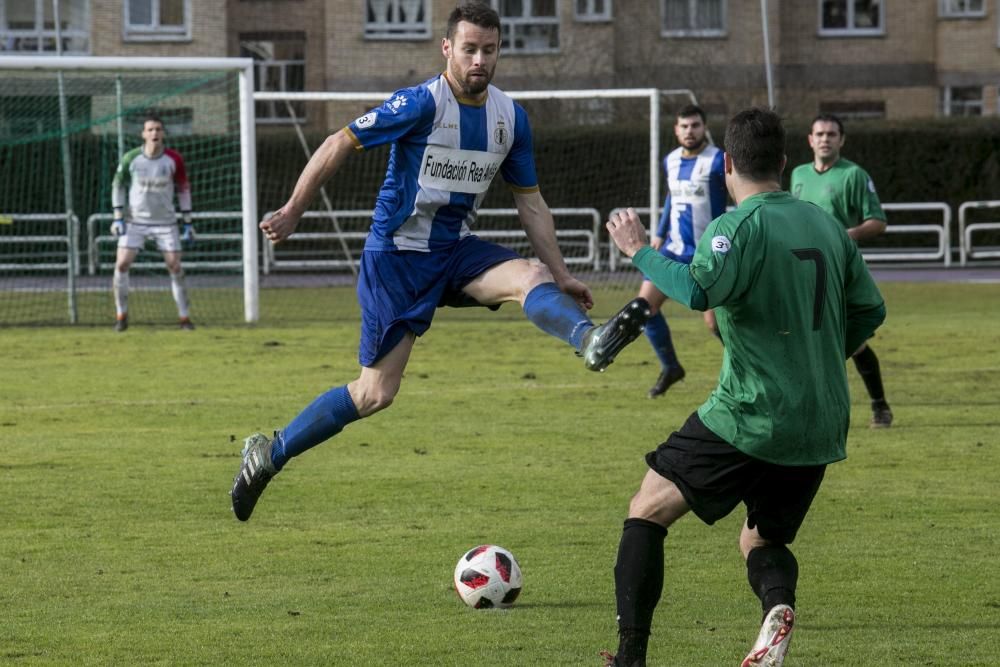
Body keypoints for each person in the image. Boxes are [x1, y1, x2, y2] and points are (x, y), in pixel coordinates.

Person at [229, 1, 650, 522]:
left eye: (489, 50)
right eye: (469, 48)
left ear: (499, 52)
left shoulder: (510, 118)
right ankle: (268, 455)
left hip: (453, 250)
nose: (479, 60)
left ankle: (590, 340)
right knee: (375, 393)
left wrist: (562, 273)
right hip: (397, 259)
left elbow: (531, 203)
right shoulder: (419, 103)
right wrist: (294, 208)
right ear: (447, 48)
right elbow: (340, 141)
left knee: (532, 277)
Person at [599, 108, 886, 667]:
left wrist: (639, 252)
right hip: (820, 419)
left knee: (646, 509)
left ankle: (630, 657)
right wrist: (818, 355)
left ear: (726, 163)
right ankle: (775, 611)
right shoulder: (825, 224)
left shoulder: (734, 227)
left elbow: (699, 290)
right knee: (761, 540)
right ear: (784, 162)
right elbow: (870, 311)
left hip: (750, 411)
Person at [790, 114, 892, 428]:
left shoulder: (854, 175)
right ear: (810, 139)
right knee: (803, 338)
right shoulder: (797, 175)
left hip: (839, 270)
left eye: (832, 134)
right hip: (801, 272)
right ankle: (806, 407)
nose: (825, 139)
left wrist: (846, 235)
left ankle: (879, 406)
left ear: (841, 140)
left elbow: (878, 221)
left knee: (852, 340)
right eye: (819, 133)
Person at [641, 104, 726, 398]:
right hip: (673, 250)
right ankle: (671, 367)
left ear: (705, 128)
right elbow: (671, 198)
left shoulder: (719, 161)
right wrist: (660, 233)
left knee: (715, 323)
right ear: (676, 130)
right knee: (644, 309)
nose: (690, 131)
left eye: (695, 126)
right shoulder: (671, 161)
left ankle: (751, 369)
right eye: (684, 126)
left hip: (708, 255)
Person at [110, 114, 196, 332]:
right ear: (143, 134)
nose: (154, 133)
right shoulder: (131, 159)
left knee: (175, 266)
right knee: (121, 264)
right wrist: (118, 217)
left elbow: (184, 190)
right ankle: (121, 316)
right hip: (135, 221)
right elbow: (117, 186)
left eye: (158, 129)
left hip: (166, 223)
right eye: (150, 129)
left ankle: (184, 318)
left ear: (163, 133)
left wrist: (188, 222)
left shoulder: (174, 160)